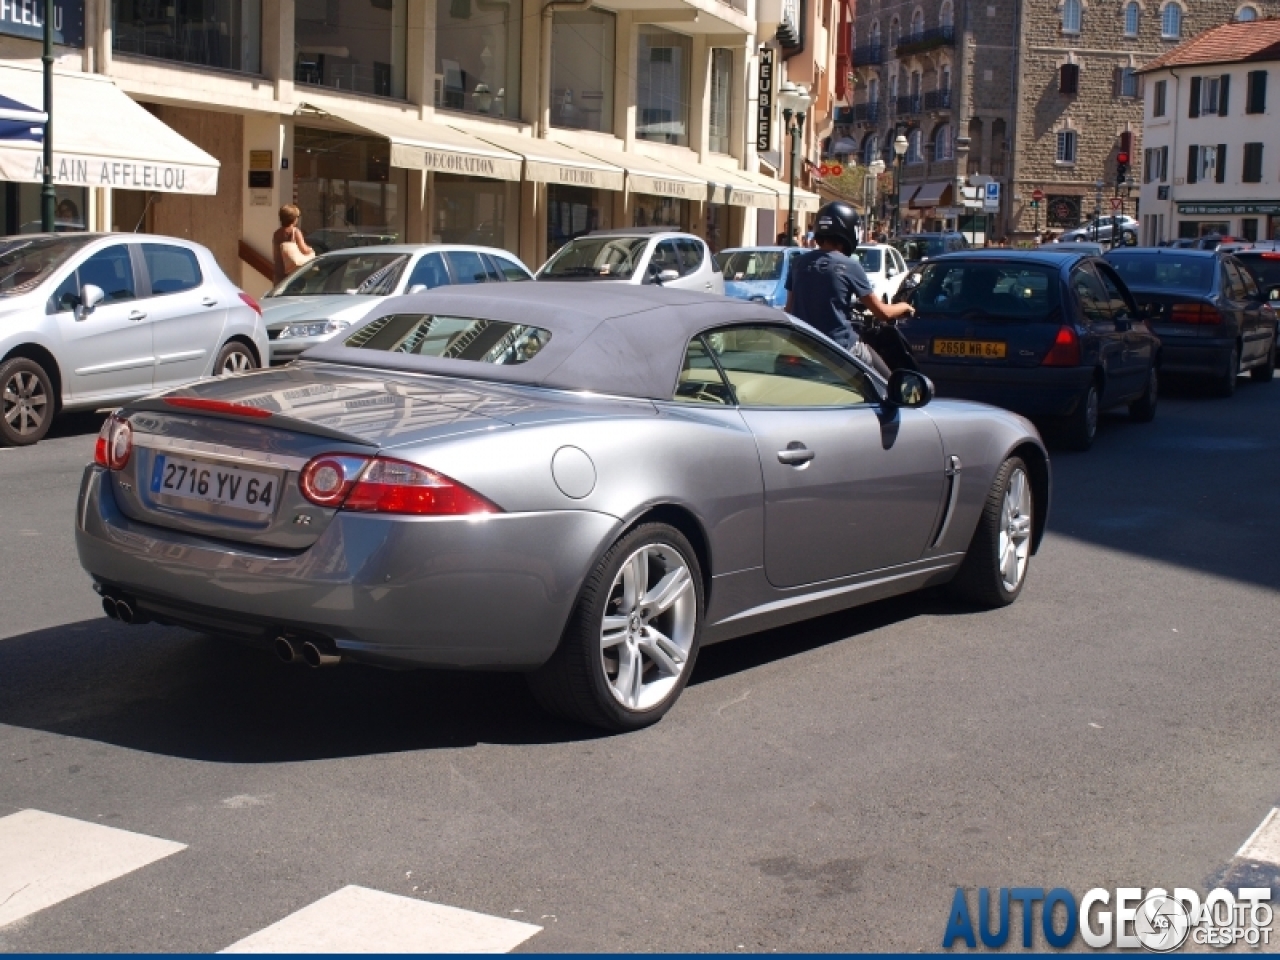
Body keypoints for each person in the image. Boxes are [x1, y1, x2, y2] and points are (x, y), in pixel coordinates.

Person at [784, 200, 916, 376]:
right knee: (888, 381)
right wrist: (904, 307)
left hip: (802, 345)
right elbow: (882, 313)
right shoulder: (849, 265)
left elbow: (789, 309)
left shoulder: (798, 263)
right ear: (849, 230)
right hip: (840, 347)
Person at [273, 204, 314, 283]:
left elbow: (275, 254)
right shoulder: (295, 232)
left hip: (279, 272)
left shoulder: (276, 233)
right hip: (293, 274)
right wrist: (311, 250)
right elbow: (304, 249)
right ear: (294, 219)